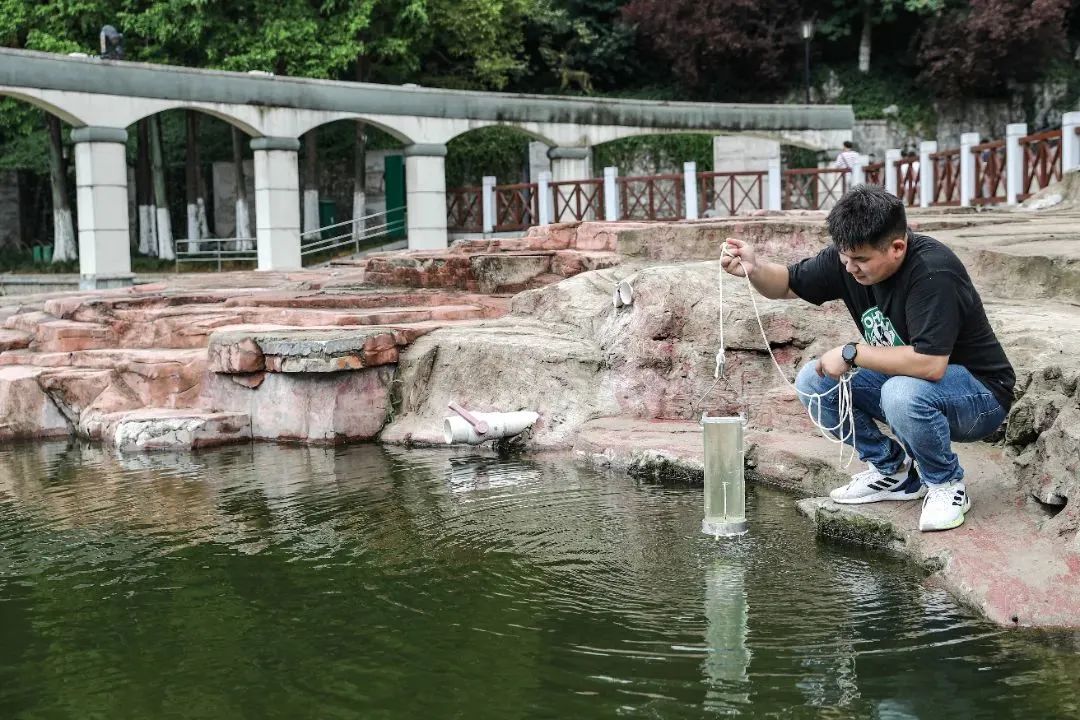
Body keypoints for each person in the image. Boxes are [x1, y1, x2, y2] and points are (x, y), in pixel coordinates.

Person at [720, 184, 1014, 532]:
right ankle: (894, 472)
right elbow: (785, 284)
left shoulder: (933, 272)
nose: (850, 268)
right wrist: (755, 268)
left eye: (860, 261)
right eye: (845, 258)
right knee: (814, 381)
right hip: (915, 383)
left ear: (897, 247)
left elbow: (930, 364)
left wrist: (853, 353)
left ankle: (946, 483)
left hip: (979, 396)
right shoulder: (847, 258)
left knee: (900, 393)